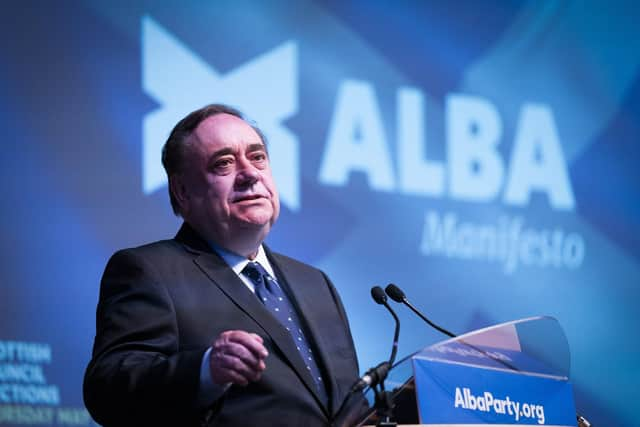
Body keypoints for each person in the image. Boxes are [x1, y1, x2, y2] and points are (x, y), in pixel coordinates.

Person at [83, 104, 365, 426]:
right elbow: (107, 390)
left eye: (257, 157)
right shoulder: (151, 271)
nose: (250, 174)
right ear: (183, 191)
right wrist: (205, 371)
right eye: (224, 163)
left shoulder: (316, 284)